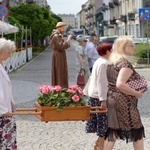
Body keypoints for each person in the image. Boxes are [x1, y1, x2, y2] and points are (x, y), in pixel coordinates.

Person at [104, 36, 146, 150]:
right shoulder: (125, 64)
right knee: (137, 130)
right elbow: (120, 84)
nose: (134, 47)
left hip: (112, 99)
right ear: (123, 48)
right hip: (124, 101)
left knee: (113, 131)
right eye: (131, 45)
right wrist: (136, 93)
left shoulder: (112, 62)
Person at [85, 42, 112, 150]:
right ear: (107, 51)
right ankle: (101, 147)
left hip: (95, 96)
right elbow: (102, 82)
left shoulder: (100, 61)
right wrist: (103, 100)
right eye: (112, 50)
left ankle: (98, 145)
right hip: (98, 97)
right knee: (103, 125)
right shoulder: (103, 63)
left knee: (104, 124)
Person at [0, 38, 17, 149]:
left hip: (5, 113)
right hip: (2, 114)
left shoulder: (1, 66)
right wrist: (4, 110)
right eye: (8, 52)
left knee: (8, 142)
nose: (10, 55)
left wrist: (11, 105)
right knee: (5, 143)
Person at [50, 22, 72, 88]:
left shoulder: (58, 35)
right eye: (62, 28)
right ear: (58, 28)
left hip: (59, 55)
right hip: (58, 56)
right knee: (60, 71)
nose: (64, 29)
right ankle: (60, 87)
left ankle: (61, 86)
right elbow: (61, 47)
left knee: (61, 71)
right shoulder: (56, 36)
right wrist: (68, 40)